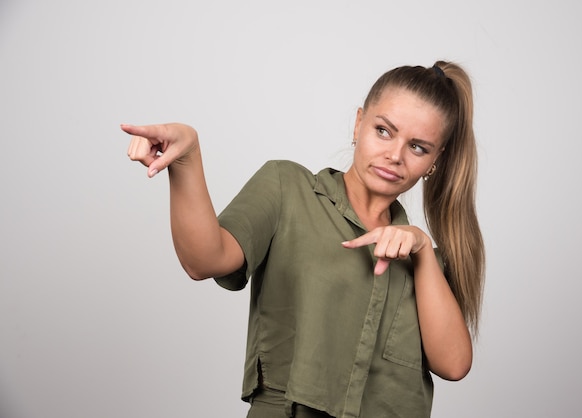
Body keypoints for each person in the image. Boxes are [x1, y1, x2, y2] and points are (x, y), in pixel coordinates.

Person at [122, 60, 485, 418]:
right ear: (359, 123)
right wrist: (187, 160)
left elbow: (454, 365)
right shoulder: (287, 189)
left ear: (435, 161)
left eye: (418, 147)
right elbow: (203, 260)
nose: (395, 155)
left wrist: (421, 250)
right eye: (384, 131)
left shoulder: (427, 264)